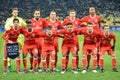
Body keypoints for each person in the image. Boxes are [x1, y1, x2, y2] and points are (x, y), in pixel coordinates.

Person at [4, 7, 26, 72]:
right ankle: (9, 66)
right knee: (9, 52)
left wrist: (21, 28)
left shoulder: (20, 19)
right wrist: (12, 29)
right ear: (12, 13)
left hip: (18, 39)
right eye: (14, 12)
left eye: (16, 12)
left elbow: (25, 25)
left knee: (18, 53)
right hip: (10, 38)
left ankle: (18, 68)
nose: (15, 13)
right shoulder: (9, 19)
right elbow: (6, 27)